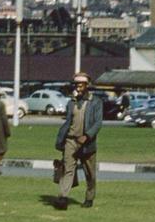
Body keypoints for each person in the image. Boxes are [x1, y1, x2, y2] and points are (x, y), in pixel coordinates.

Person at [54, 72, 102, 209]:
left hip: (87, 142)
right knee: (68, 169)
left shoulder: (96, 102)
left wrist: (87, 136)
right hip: (71, 141)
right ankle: (63, 198)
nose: (78, 87)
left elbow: (98, 123)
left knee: (90, 173)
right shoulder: (71, 102)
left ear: (87, 86)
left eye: (81, 85)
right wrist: (61, 140)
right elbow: (68, 122)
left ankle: (89, 198)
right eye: (76, 85)